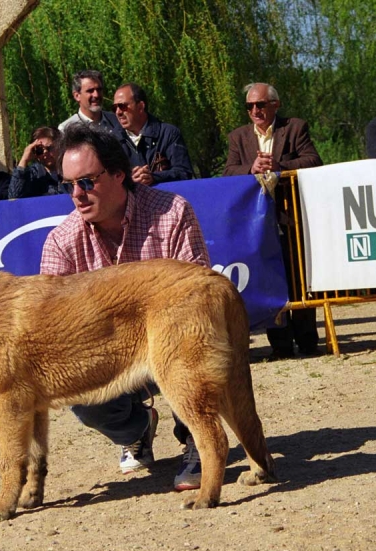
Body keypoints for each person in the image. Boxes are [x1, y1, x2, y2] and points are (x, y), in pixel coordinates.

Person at [40, 124, 210, 491]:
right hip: (108, 354)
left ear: (119, 173)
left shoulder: (172, 213)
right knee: (74, 386)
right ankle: (136, 429)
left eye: (86, 182)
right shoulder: (60, 243)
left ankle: (198, 436)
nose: (77, 195)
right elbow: (52, 330)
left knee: (197, 345)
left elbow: (200, 298)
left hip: (174, 341)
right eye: (68, 185)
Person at [223, 82, 323, 359]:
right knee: (269, 281)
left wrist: (281, 168)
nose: (255, 110)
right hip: (257, 223)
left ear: (275, 105)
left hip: (291, 218)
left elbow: (314, 161)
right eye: (250, 106)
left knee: (297, 278)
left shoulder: (295, 128)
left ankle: (308, 344)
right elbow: (227, 172)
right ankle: (280, 346)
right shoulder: (238, 137)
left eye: (260, 105)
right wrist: (249, 169)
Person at [111, 83, 194, 185]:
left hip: (165, 199)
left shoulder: (168, 133)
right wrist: (130, 180)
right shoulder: (112, 141)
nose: (118, 112)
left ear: (141, 106)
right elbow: (108, 181)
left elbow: (184, 173)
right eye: (114, 108)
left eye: (122, 106)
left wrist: (154, 177)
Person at [8, 126, 62, 198]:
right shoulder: (31, 174)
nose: (45, 153)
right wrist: (24, 160)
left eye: (49, 148)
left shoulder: (70, 169)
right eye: (40, 150)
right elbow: (14, 197)